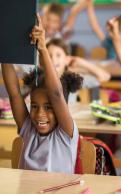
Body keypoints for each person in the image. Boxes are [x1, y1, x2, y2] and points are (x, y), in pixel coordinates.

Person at [1, 14, 83, 173]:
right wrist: (4, 46)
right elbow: (15, 94)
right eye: (34, 106)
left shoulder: (65, 133)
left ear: (61, 109)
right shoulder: (28, 129)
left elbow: (56, 94)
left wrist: (43, 49)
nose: (40, 114)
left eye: (48, 107)